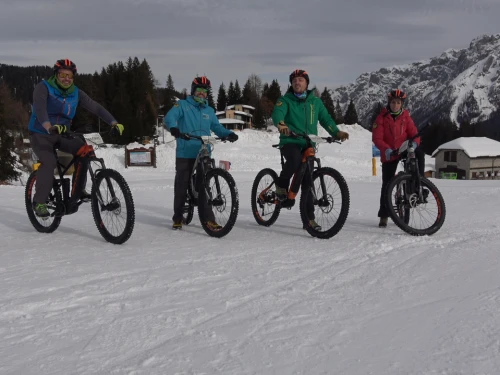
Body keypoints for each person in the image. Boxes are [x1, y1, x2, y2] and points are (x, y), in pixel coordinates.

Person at [28, 58, 124, 218]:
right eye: (62, 75)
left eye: (69, 76)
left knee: (84, 151)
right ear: (56, 75)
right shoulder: (43, 87)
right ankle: (39, 202)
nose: (66, 79)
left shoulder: (76, 92)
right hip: (40, 133)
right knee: (49, 162)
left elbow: (96, 107)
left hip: (63, 133)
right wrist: (48, 126)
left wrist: (113, 122)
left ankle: (77, 190)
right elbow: (40, 109)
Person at [271, 69, 349, 230]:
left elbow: (325, 119)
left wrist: (336, 132)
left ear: (307, 83)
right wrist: (281, 124)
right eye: (294, 81)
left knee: (308, 181)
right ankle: (281, 184)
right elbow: (277, 113)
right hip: (290, 140)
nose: (297, 83)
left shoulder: (316, 102)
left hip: (308, 143)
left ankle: (309, 220)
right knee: (294, 160)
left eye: (300, 80)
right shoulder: (285, 100)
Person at [164, 76, 238, 230]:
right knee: (182, 184)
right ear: (193, 91)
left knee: (204, 185)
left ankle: (208, 219)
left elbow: (217, 127)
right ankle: (177, 217)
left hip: (204, 151)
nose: (201, 94)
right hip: (186, 151)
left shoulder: (209, 110)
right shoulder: (182, 105)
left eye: (205, 91)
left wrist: (228, 133)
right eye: (199, 90)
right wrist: (174, 128)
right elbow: (170, 117)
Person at [372, 89, 426, 228]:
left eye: (398, 103)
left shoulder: (405, 116)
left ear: (402, 104)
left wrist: (414, 143)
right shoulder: (382, 117)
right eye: (393, 102)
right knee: (387, 184)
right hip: (389, 152)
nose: (395, 105)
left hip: (402, 149)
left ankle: (419, 184)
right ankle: (384, 215)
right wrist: (386, 149)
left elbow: (414, 133)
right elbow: (377, 138)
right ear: (389, 103)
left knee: (419, 153)